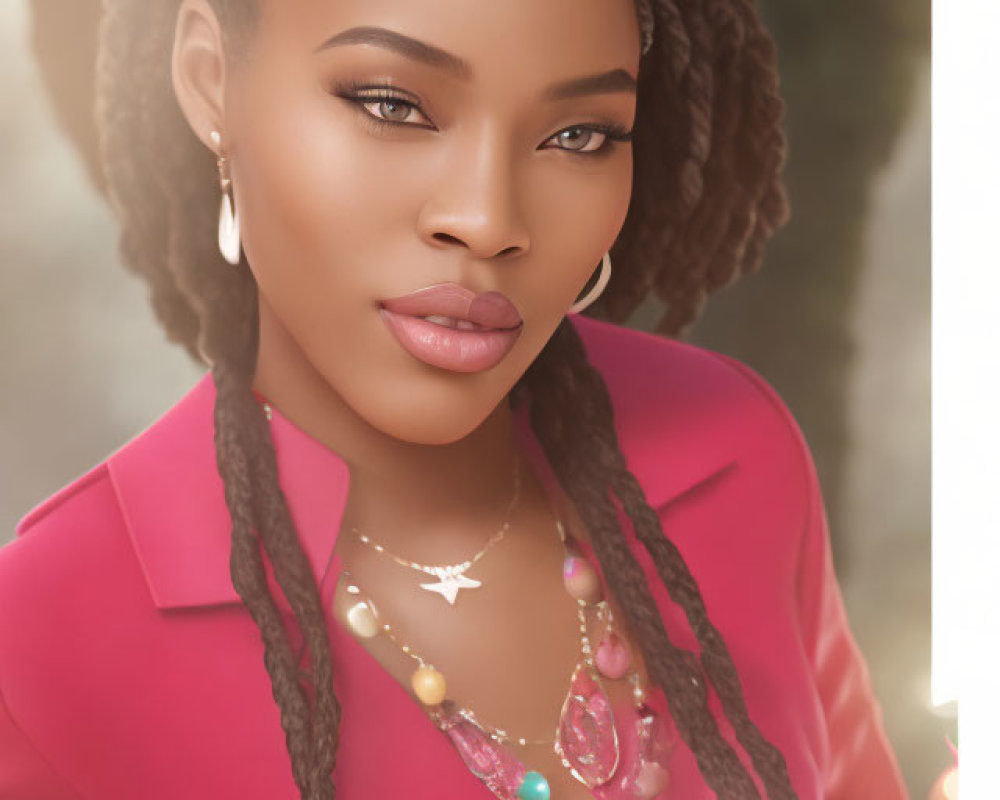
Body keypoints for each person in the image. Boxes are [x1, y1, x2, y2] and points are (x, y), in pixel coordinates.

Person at [0, 0, 912, 798]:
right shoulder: (42, 645)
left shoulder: (737, 452)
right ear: (209, 83)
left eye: (579, 134)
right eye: (391, 105)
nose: (487, 218)